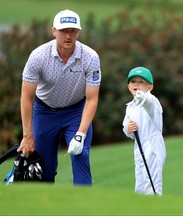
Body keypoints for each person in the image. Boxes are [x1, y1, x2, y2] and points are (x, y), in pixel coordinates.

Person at [17, 9, 101, 186]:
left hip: (76, 111)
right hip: (45, 111)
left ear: (78, 32)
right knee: (44, 167)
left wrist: (81, 133)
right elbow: (26, 96)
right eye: (64, 31)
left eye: (73, 31)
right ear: (54, 31)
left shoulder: (90, 57)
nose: (68, 36)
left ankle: (84, 204)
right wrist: (27, 135)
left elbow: (92, 99)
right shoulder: (38, 56)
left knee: (81, 154)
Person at [122, 66, 166, 195]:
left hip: (153, 147)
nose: (137, 84)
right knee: (140, 185)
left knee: (152, 186)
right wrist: (128, 129)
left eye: (141, 82)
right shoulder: (130, 107)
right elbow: (126, 129)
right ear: (128, 86)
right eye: (133, 81)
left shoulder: (153, 101)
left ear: (149, 87)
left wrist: (144, 98)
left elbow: (149, 103)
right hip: (139, 147)